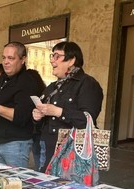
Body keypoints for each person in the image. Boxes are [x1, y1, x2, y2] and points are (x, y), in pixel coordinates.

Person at [32, 41, 103, 172]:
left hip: (74, 153)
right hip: (46, 150)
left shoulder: (88, 84)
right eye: (52, 56)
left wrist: (58, 111)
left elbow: (87, 120)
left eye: (57, 56)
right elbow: (41, 123)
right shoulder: (52, 87)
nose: (52, 61)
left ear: (71, 60)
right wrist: (37, 116)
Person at [0, 41, 40, 168]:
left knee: (14, 183)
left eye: (11, 58)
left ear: (23, 59)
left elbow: (21, 116)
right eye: (4, 58)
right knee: (2, 183)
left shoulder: (27, 81)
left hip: (16, 144)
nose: (5, 62)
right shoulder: (3, 78)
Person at [27, 69, 46, 171]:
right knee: (38, 154)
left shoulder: (39, 93)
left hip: (37, 129)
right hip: (38, 129)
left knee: (38, 154)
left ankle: (39, 170)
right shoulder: (43, 90)